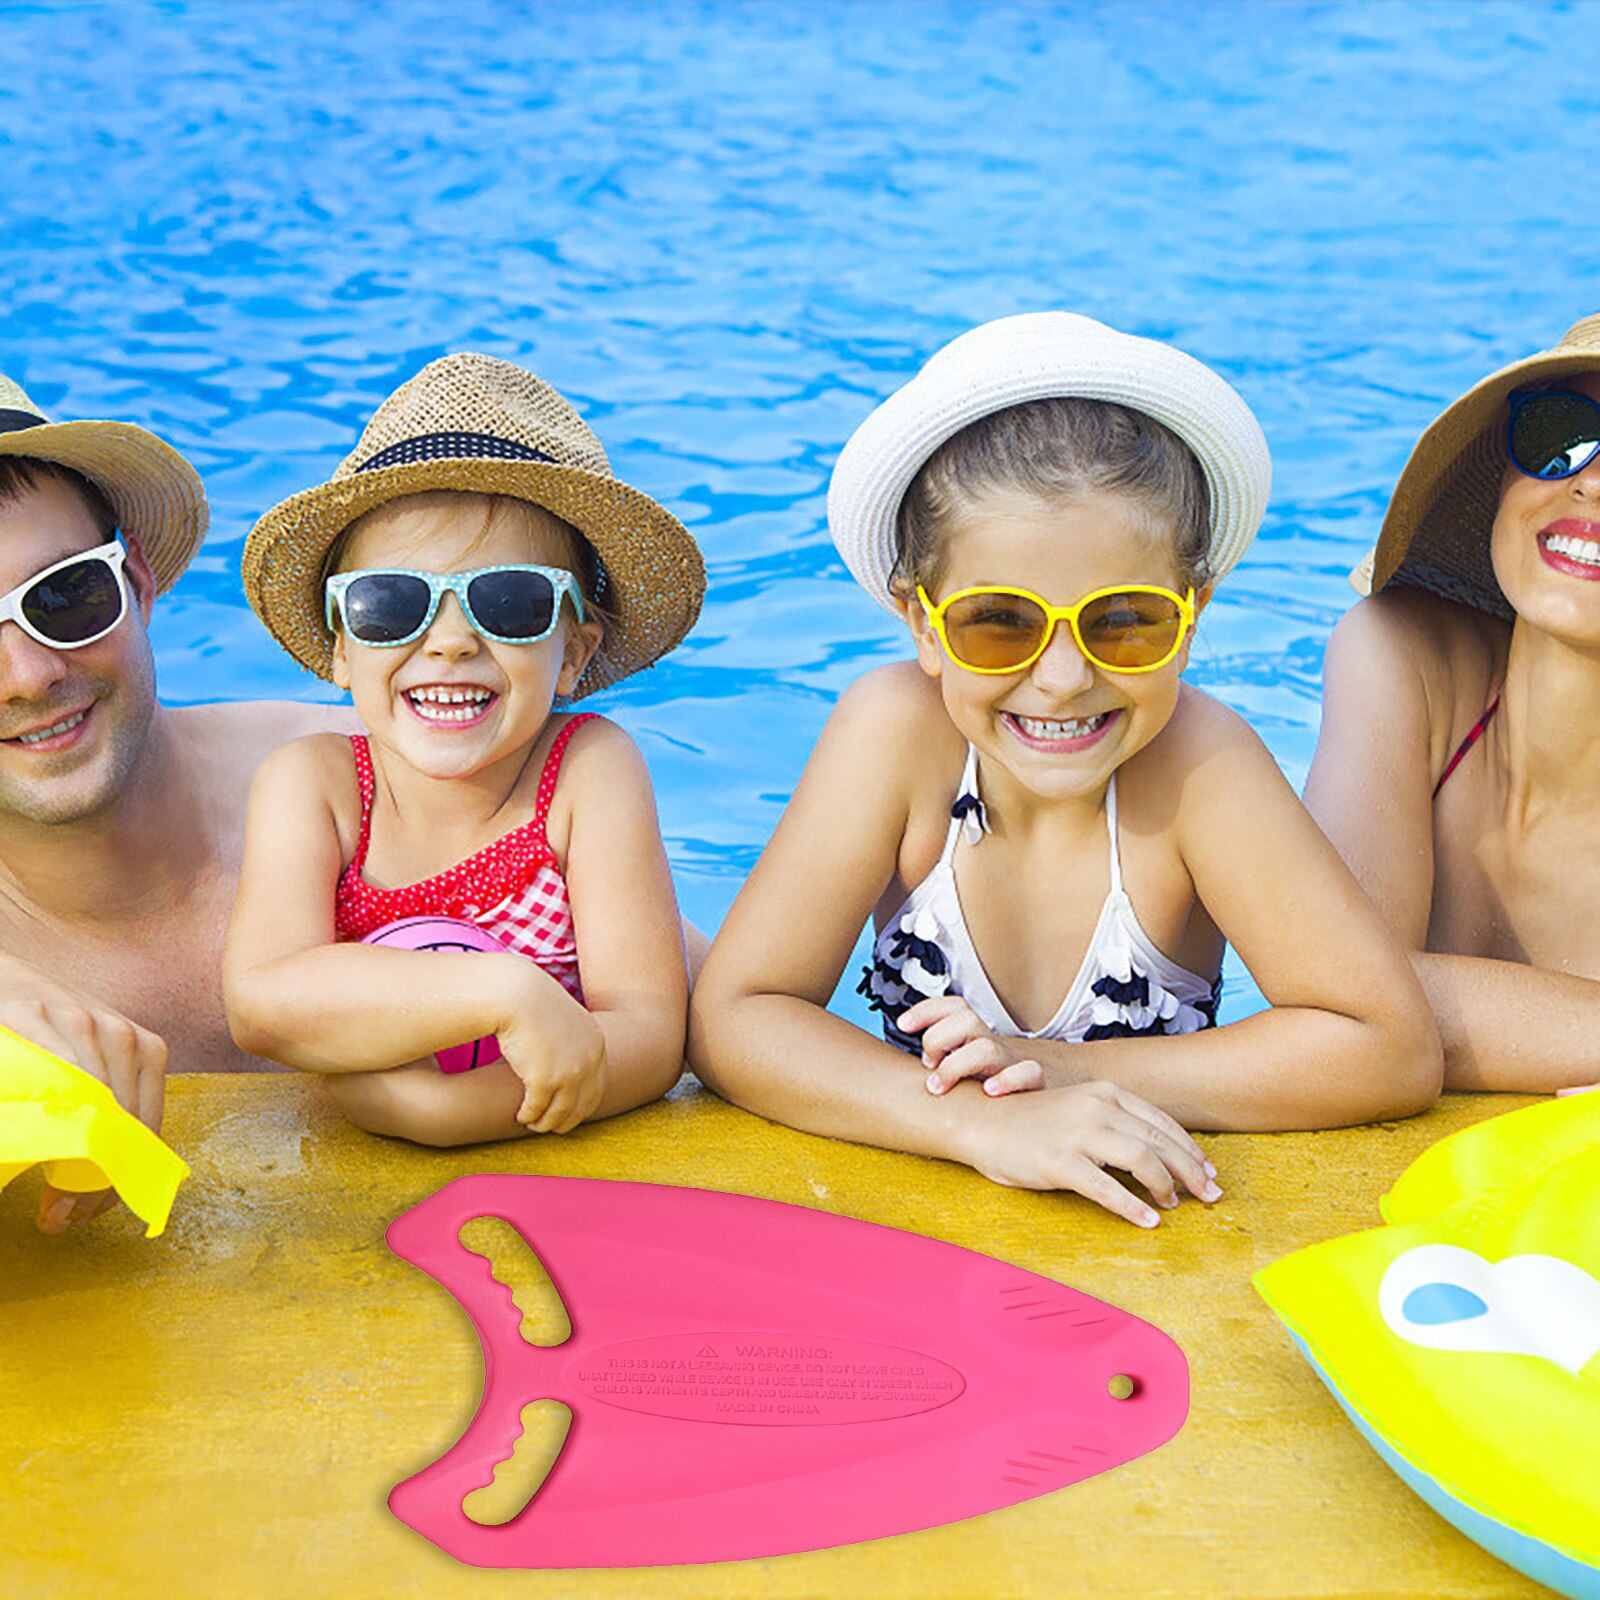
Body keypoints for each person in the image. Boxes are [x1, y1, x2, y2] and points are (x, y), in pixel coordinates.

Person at [690, 314, 1441, 1228]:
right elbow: (738, 1017)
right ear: (924, 625)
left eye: (1125, 620)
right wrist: (983, 1126)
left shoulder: (1202, 766)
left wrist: (1062, 1071)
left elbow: (1385, 1048)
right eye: (998, 621)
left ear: (1193, 613)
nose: (1062, 677)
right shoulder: (893, 736)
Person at [225, 354, 704, 1146]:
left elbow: (650, 1037)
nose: (448, 643)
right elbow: (263, 1002)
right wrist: (499, 992)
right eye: (390, 604)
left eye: (508, 601)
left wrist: (447, 1113)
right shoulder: (316, 786)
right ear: (342, 648)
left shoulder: (588, 774)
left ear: (575, 652)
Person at [0, 374, 354, 1233]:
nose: (29, 676)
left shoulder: (371, 784)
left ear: (139, 585)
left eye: (64, 598)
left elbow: (706, 1009)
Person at [1306, 315, 1600, 1093]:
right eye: (1563, 434)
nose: (1591, 479)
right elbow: (1328, 992)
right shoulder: (1404, 659)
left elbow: (1370, 1006)